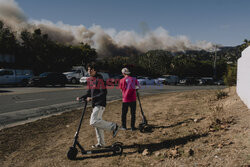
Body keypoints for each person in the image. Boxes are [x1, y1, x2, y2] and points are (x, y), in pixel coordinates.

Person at [76, 63, 119, 148]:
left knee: (93, 122)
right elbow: (89, 92)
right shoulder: (90, 80)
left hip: (100, 104)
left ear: (95, 70)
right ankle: (101, 144)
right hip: (95, 104)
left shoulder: (100, 80)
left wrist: (92, 98)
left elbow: (103, 93)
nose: (89, 71)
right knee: (97, 124)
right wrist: (81, 97)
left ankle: (114, 126)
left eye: (90, 69)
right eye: (88, 69)